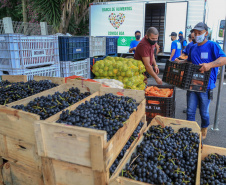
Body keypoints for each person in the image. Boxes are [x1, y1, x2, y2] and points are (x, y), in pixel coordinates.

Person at [178, 22, 226, 139]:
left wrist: (209, 65)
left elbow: (223, 59)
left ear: (206, 33)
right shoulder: (193, 47)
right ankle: (191, 132)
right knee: (190, 111)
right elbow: (189, 60)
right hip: (192, 83)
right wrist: (181, 61)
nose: (197, 35)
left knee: (204, 112)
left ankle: (204, 127)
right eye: (195, 33)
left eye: (200, 33)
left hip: (206, 86)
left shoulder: (212, 45)